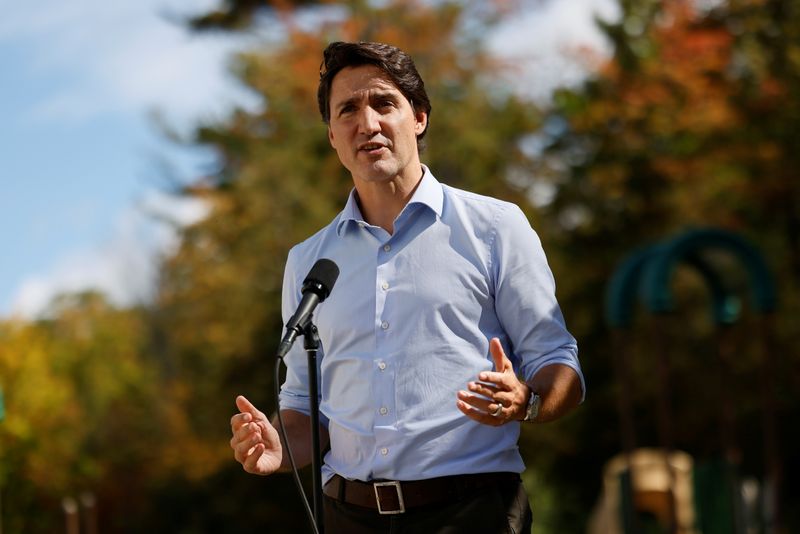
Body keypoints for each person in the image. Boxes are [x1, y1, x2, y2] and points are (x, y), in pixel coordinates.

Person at [230, 41, 585, 533]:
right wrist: (279, 446)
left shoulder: (495, 227)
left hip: (471, 514)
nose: (367, 123)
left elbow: (560, 363)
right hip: (346, 517)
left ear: (418, 117)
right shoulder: (308, 262)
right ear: (333, 135)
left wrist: (527, 400)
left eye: (383, 103)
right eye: (348, 110)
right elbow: (304, 408)